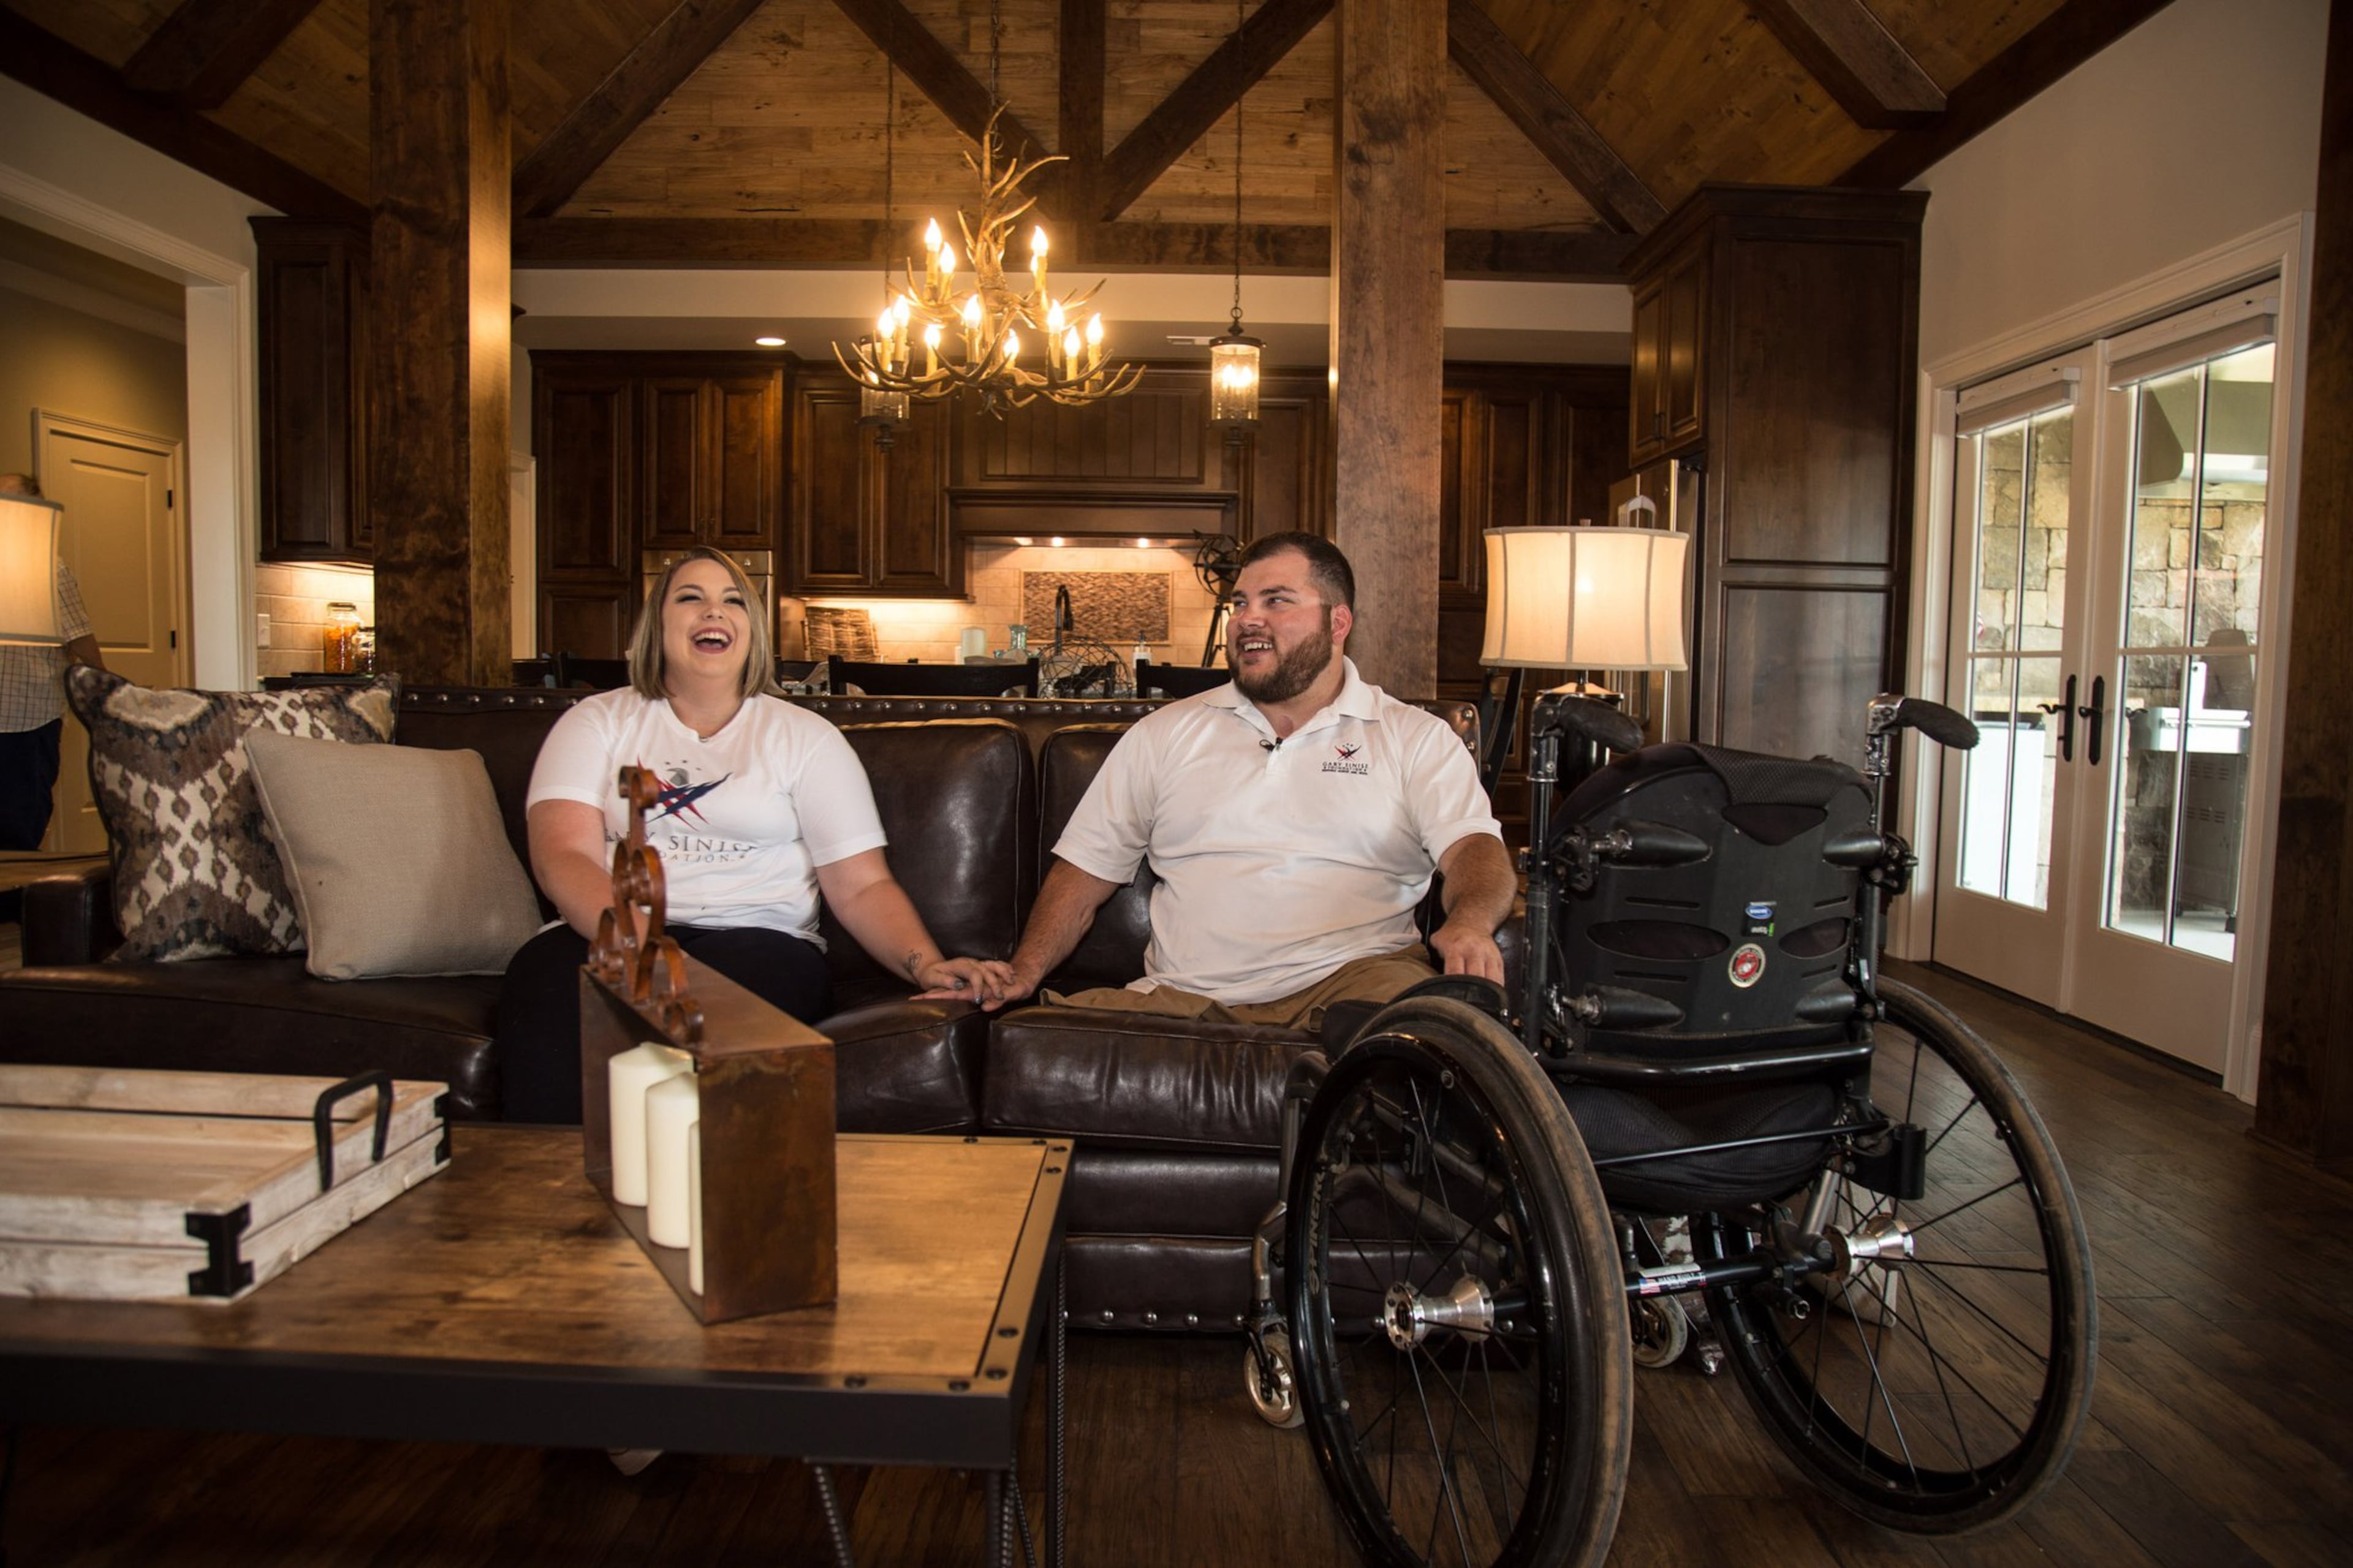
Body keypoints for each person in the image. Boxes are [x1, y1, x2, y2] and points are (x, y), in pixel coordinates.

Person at [494, 546, 1012, 1122]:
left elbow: (861, 885)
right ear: (656, 625)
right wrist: (638, 946)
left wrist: (925, 964)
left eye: (733, 601)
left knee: (707, 1021)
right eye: (691, 598)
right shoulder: (596, 721)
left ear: (751, 630)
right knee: (545, 988)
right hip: (612, 928)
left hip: (759, 940)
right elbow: (562, 855)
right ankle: (544, 1195)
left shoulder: (805, 738)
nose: (714, 612)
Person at [986, 531, 1515, 1028]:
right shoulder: (1164, 733)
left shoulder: (1414, 737)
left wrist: (1469, 922)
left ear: (1338, 623)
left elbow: (1474, 849)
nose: (1246, 620)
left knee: (1423, 1030)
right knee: (1045, 1033)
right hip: (1186, 998)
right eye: (1240, 604)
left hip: (1354, 985)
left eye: (1276, 601)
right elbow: (1083, 871)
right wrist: (1024, 970)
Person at [0, 472, 105, 857]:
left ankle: (18, 913)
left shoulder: (48, 570)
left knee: (19, 825)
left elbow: (80, 640)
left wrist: (109, 694)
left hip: (26, 720)